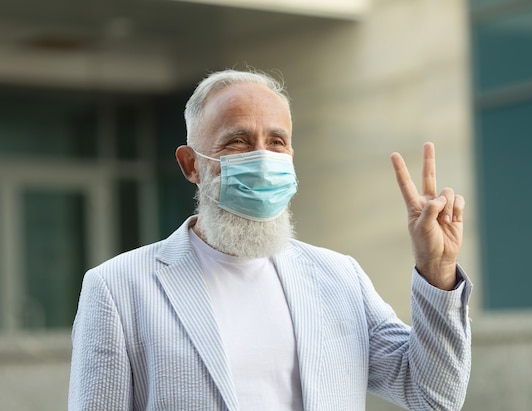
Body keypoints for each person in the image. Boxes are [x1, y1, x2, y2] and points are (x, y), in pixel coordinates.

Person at [68, 69, 472, 411]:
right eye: (238, 141)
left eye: (276, 142)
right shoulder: (118, 287)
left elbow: (434, 396)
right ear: (191, 165)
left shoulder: (339, 276)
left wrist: (437, 270)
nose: (262, 158)